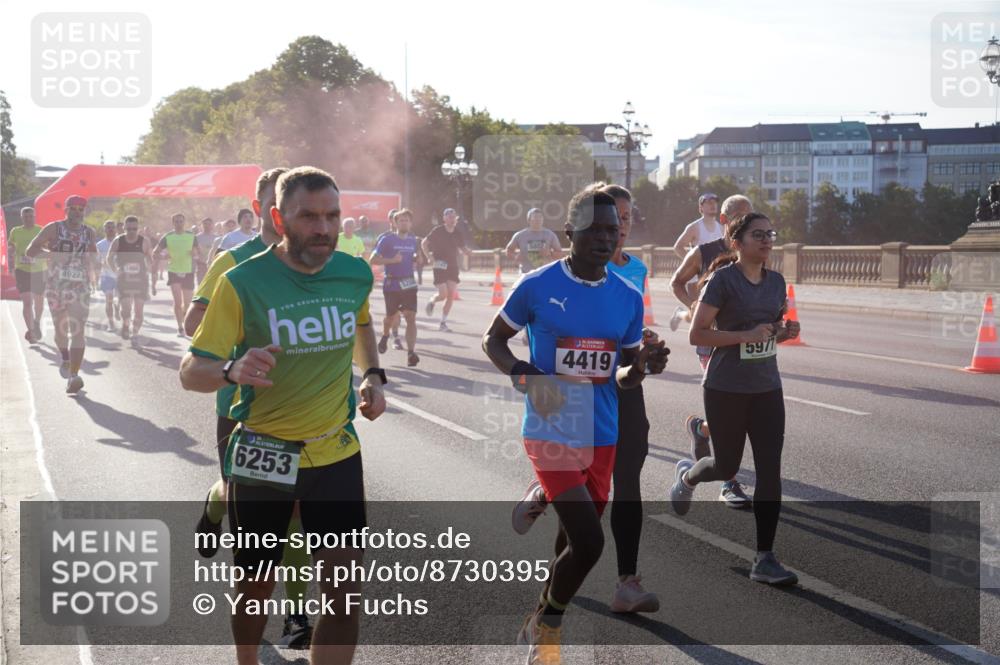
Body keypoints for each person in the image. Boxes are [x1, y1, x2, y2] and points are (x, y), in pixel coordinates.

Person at [180, 166, 387, 665]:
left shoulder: (354, 272)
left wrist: (374, 375)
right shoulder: (241, 280)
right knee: (255, 584)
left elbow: (361, 322)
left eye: (332, 215)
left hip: (336, 449)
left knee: (343, 593)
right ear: (278, 217)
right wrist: (231, 369)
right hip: (262, 450)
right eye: (309, 216)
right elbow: (191, 369)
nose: (323, 227)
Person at [482, 185, 668, 665]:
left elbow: (622, 376)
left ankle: (540, 616)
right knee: (590, 541)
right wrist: (526, 375)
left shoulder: (626, 297)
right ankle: (548, 624)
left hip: (602, 431)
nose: (606, 238)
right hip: (549, 427)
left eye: (613, 229)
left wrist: (643, 366)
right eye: (594, 229)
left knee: (572, 538)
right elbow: (494, 341)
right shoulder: (537, 285)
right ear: (570, 232)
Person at [183, 167, 317, 650]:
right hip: (243, 409)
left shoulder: (315, 262)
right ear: (263, 207)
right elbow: (192, 322)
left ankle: (297, 615)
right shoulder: (232, 261)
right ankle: (215, 507)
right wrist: (237, 348)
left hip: (306, 408)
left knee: (297, 514)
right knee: (255, 523)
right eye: (272, 201)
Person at [669, 212, 800, 586]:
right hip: (725, 386)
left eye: (770, 234)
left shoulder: (776, 282)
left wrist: (784, 332)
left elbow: (769, 332)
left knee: (769, 470)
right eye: (757, 234)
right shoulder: (723, 281)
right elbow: (698, 335)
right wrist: (744, 336)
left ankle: (765, 558)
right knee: (727, 468)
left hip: (766, 386)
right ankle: (688, 476)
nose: (766, 240)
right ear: (736, 242)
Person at [669, 194, 755, 508]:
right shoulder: (703, 252)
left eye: (750, 215)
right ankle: (729, 483)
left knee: (740, 409)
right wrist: (695, 308)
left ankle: (702, 428)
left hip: (746, 342)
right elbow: (676, 283)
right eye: (740, 216)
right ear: (724, 220)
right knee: (732, 408)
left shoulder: (753, 250)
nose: (746, 222)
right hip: (712, 342)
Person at [25, 194, 99, 394]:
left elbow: (93, 255)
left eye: (80, 209)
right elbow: (30, 251)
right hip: (56, 286)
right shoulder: (54, 228)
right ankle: (65, 358)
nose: (77, 212)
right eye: (73, 208)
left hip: (80, 286)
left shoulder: (89, 232)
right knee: (60, 331)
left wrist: (95, 273)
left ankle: (74, 375)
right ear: (66, 210)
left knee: (78, 330)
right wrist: (52, 254)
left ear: (85, 211)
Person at [371, 208, 420, 367]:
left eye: (407, 220)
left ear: (411, 223)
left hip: (409, 283)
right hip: (392, 283)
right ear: (395, 223)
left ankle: (411, 353)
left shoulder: (413, 240)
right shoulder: (387, 240)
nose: (404, 223)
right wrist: (392, 260)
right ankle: (385, 336)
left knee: (411, 317)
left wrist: (418, 259)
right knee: (391, 318)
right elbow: (373, 260)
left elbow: (416, 257)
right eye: (401, 220)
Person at [670, 192, 723, 329]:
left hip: (713, 278)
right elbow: (678, 247)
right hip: (695, 279)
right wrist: (694, 266)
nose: (712, 205)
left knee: (708, 316)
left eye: (714, 202)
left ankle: (680, 314)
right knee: (696, 313)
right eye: (708, 202)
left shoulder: (721, 228)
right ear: (701, 208)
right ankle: (681, 315)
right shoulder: (695, 227)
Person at [422, 207, 471, 331]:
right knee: (443, 294)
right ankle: (433, 300)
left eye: (453, 217)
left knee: (451, 295)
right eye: (449, 216)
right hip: (439, 265)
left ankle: (443, 323)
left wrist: (468, 252)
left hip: (453, 266)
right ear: (444, 218)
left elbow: (463, 248)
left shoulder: (457, 233)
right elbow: (424, 243)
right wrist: (429, 257)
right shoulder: (438, 230)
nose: (452, 219)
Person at [155, 213, 202, 336]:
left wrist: (195, 255)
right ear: (173, 223)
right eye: (176, 221)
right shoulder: (167, 237)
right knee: (177, 301)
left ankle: (186, 323)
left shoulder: (191, 236)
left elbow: (198, 253)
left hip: (189, 271)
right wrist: (164, 256)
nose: (179, 223)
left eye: (181, 221)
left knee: (187, 303)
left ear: (184, 222)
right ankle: (180, 327)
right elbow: (155, 252)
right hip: (174, 270)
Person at [107, 215, 153, 341]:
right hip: (124, 279)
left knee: (139, 309)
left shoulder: (144, 241)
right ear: (124, 228)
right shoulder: (118, 241)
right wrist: (116, 271)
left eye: (134, 229)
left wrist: (148, 268)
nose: (131, 231)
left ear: (138, 228)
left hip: (140, 279)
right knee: (126, 307)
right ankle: (125, 325)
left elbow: (150, 258)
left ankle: (135, 332)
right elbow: (109, 258)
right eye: (129, 229)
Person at [7, 206, 46, 343]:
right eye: (26, 216)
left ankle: (36, 321)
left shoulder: (41, 230)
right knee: (27, 302)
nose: (28, 219)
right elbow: (10, 245)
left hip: (39, 270)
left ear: (34, 217)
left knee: (39, 304)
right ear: (22, 218)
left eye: (31, 216)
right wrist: (11, 252)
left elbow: (47, 247)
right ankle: (31, 331)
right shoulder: (15, 231)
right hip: (22, 270)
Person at [505, 208, 562, 274]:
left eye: (540, 217)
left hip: (544, 273)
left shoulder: (550, 235)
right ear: (529, 220)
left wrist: (550, 253)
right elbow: (508, 250)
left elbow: (560, 254)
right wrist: (515, 256)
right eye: (535, 217)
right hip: (525, 273)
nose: (538, 219)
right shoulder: (520, 235)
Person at [95, 220, 119, 332]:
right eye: (108, 227)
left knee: (120, 300)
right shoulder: (100, 245)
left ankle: (117, 307)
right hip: (106, 276)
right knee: (109, 299)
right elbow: (97, 262)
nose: (110, 229)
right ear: (104, 230)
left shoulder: (121, 242)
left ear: (116, 229)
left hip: (120, 276)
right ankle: (111, 323)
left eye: (112, 227)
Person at [194, 217, 218, 284]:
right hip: (201, 265)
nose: (207, 226)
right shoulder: (196, 237)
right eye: (205, 224)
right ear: (201, 225)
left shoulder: (216, 238)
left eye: (209, 224)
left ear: (212, 225)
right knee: (201, 284)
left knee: (212, 284)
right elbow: (193, 251)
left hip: (213, 265)